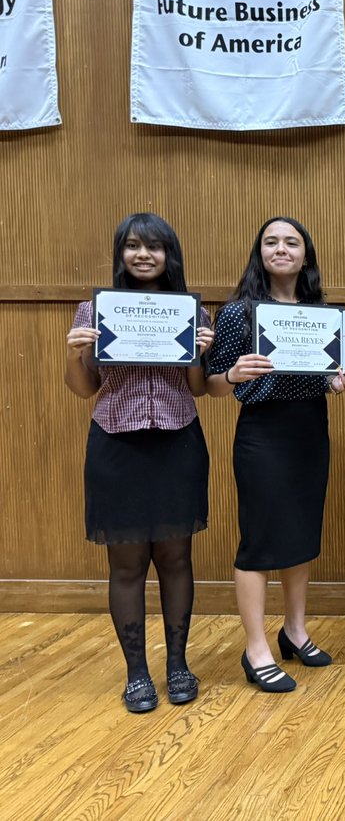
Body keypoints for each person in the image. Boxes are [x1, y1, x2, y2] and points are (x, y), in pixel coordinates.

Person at [64, 213, 214, 712]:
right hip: (117, 445)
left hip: (177, 442)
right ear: (120, 254)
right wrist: (76, 355)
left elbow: (197, 389)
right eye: (132, 246)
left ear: (170, 255)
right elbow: (85, 389)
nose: (143, 255)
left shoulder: (194, 314)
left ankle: (177, 665)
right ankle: (136, 674)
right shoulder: (93, 310)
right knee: (126, 566)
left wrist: (197, 353)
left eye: (154, 247)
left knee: (175, 559)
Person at [206, 217, 345, 693]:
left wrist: (334, 382)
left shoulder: (321, 314)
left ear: (306, 255)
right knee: (260, 540)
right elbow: (210, 385)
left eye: (291, 242)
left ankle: (294, 630)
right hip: (263, 434)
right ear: (260, 252)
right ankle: (255, 648)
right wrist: (233, 376)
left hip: (310, 429)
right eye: (271, 241)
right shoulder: (238, 313)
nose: (281, 249)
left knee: (301, 532)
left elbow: (322, 375)